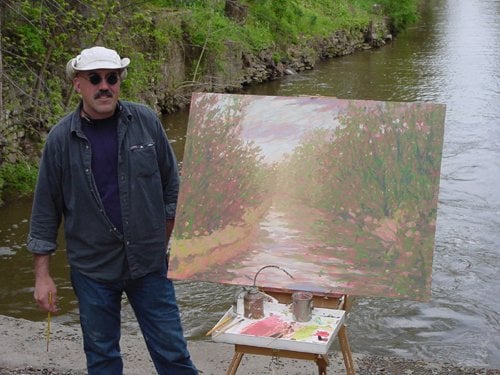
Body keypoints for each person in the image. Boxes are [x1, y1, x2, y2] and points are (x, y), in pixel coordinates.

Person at [27, 46, 198, 375]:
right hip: (92, 270)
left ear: (120, 81)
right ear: (79, 84)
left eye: (112, 78)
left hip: (149, 265)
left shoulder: (146, 121)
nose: (104, 85)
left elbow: (172, 188)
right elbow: (45, 211)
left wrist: (162, 238)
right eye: (95, 78)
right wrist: (42, 276)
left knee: (173, 354)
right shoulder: (60, 140)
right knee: (102, 358)